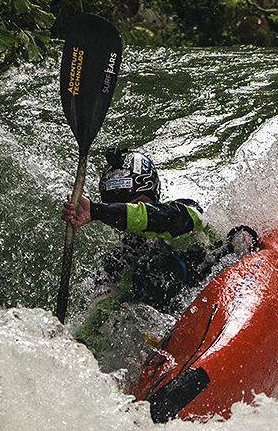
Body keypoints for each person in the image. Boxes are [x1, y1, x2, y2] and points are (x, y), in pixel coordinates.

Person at [61, 148, 257, 369]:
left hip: (222, 300)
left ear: (153, 196)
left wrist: (97, 212)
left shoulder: (183, 214)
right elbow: (99, 322)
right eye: (119, 207)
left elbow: (153, 219)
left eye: (135, 204)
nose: (126, 216)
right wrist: (72, 351)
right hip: (172, 337)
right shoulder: (115, 264)